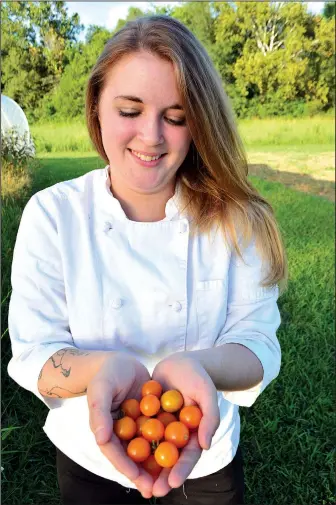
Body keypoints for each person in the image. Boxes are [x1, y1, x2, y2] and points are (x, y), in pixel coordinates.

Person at [7, 14, 287, 505]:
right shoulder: (53, 214)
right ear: (96, 107)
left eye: (176, 117)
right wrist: (103, 371)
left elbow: (257, 345)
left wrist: (195, 367)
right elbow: (33, 352)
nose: (151, 136)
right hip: (89, 451)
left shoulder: (236, 219)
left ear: (200, 122)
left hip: (202, 449)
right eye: (129, 110)